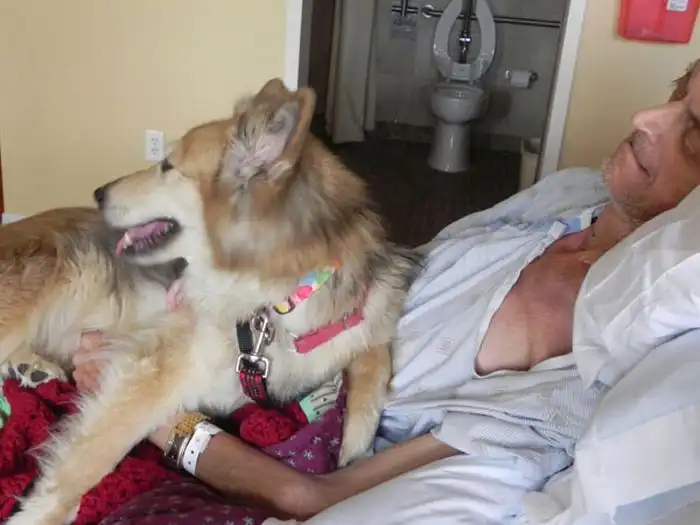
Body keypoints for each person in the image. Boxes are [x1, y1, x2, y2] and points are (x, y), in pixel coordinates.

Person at [74, 59, 700, 524]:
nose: (644, 119)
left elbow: (307, 497)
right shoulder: (567, 195)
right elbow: (386, 273)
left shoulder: (582, 377)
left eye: (693, 131)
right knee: (81, 277)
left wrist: (154, 418)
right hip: (277, 334)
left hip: (270, 419)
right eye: (676, 93)